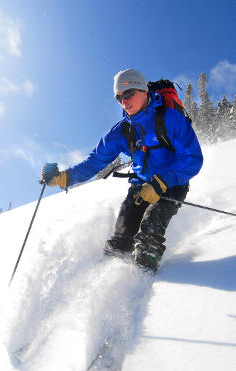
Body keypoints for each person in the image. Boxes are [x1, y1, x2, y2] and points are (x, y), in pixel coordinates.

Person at [41, 69, 203, 274]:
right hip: (140, 186)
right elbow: (95, 161)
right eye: (119, 97)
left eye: (129, 94)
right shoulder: (122, 131)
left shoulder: (170, 119)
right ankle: (111, 280)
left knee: (148, 238)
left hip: (172, 184)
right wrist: (65, 177)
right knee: (120, 241)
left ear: (144, 90)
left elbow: (193, 158)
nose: (124, 101)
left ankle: (148, 281)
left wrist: (162, 182)